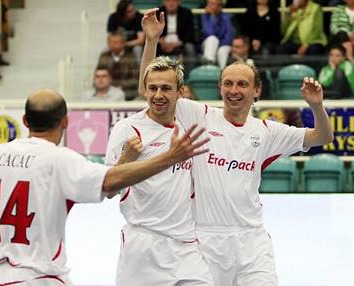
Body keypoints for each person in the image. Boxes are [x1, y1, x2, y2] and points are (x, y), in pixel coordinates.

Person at [0, 88, 208, 286]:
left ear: (24, 121)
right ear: (66, 122)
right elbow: (111, 182)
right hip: (41, 278)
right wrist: (170, 157)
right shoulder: (60, 160)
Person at [139, 9, 334, 286]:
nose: (234, 90)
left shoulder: (267, 131)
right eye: (228, 83)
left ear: (257, 91)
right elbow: (150, 87)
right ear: (219, 88)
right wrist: (151, 41)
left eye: (242, 84)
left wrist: (316, 106)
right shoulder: (199, 115)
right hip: (204, 241)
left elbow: (322, 137)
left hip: (251, 241)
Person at [105, 10, 212, 286]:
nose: (157, 95)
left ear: (181, 93)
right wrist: (126, 161)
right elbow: (108, 190)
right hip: (143, 247)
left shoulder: (191, 119)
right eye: (152, 89)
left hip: (186, 245)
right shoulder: (127, 130)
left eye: (166, 89)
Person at [156, 0, 197, 73]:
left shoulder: (186, 13)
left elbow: (189, 34)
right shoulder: (158, 12)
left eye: (174, 1)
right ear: (164, 2)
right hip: (162, 43)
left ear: (179, 2)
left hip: (180, 43)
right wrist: (160, 41)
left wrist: (177, 44)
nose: (171, 3)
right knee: (152, 46)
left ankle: (190, 75)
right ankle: (154, 73)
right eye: (168, 1)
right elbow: (153, 32)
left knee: (190, 47)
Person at [97, 30, 139, 100]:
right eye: (110, 42)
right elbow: (98, 74)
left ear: (123, 43)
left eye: (115, 42)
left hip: (128, 92)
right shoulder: (104, 56)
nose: (112, 44)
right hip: (106, 91)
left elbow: (135, 78)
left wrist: (122, 86)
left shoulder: (131, 57)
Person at [199, 0, 235, 68]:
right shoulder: (204, 16)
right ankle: (209, 66)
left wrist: (218, 45)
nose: (213, 6)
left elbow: (229, 36)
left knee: (222, 51)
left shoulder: (226, 17)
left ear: (220, 7)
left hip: (223, 44)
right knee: (212, 39)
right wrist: (213, 16)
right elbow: (209, 33)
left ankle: (223, 72)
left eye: (215, 4)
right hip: (207, 44)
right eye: (211, 4)